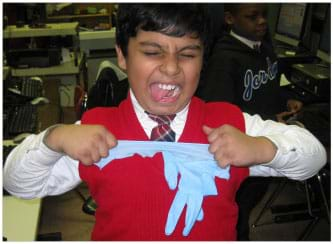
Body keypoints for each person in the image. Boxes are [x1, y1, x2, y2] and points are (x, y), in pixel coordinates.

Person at [4, 4, 326, 241]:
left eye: (187, 54)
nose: (171, 68)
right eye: (152, 51)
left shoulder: (228, 125)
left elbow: (314, 157)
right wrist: (54, 138)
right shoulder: (97, 133)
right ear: (122, 55)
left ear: (203, 58)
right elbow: (18, 183)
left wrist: (261, 149)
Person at [197, 3, 306, 240]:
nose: (262, 22)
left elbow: (271, 84)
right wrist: (270, 119)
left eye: (264, 15)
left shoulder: (265, 49)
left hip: (264, 140)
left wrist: (286, 100)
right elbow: (221, 112)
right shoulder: (224, 59)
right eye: (252, 17)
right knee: (237, 212)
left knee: (250, 202)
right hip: (242, 152)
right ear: (229, 19)